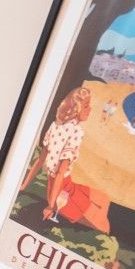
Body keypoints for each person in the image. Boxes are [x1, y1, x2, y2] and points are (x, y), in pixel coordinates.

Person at [39, 87, 113, 232]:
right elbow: (60, 172)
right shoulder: (76, 131)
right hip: (62, 192)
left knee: (104, 199)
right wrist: (50, 205)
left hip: (66, 185)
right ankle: (92, 223)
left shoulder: (55, 126)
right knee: (103, 226)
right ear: (76, 108)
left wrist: (23, 185)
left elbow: (40, 160)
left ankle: (92, 220)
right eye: (86, 106)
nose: (90, 109)